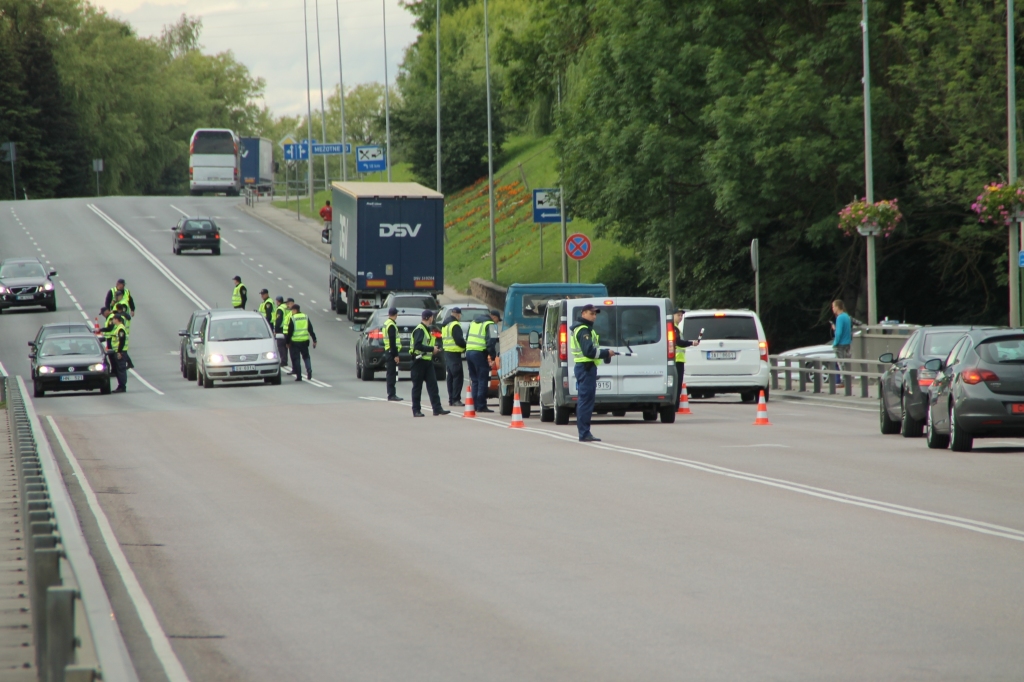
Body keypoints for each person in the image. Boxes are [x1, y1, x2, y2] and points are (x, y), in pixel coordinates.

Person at [571, 304, 617, 442]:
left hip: (586, 368)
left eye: (595, 314)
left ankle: (584, 432)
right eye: (592, 313)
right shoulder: (583, 330)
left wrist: (605, 353)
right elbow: (589, 351)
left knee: (585, 400)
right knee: (585, 401)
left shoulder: (585, 329)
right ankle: (584, 433)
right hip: (586, 368)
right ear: (584, 313)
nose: (594, 316)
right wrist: (605, 353)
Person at [409, 310, 449, 417]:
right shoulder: (420, 330)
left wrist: (434, 349)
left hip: (427, 361)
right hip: (418, 361)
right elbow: (417, 346)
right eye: (432, 317)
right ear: (429, 318)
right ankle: (416, 410)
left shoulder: (427, 330)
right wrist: (432, 349)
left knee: (433, 386)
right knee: (417, 387)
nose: (433, 319)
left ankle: (437, 408)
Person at [465, 309, 500, 412]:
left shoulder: (473, 322)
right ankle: (481, 405)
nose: (497, 322)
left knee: (474, 380)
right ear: (494, 317)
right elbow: (491, 342)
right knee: (482, 379)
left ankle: (474, 405)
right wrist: (493, 357)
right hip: (479, 353)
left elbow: (467, 337)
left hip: (469, 352)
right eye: (498, 320)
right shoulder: (491, 324)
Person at [670, 308, 699, 406]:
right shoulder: (673, 328)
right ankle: (675, 405)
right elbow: (678, 342)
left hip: (679, 359)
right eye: (678, 315)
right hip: (676, 359)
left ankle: (676, 405)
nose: (680, 317)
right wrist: (691, 343)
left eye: (681, 315)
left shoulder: (676, 328)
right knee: (677, 385)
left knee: (678, 384)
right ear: (672, 315)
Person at [441, 307, 466, 406]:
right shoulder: (455, 324)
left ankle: (451, 399)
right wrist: (466, 345)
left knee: (451, 376)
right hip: (455, 353)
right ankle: (456, 399)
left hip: (447, 352)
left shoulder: (446, 324)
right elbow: (459, 340)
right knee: (458, 376)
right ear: (458, 315)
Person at [284, 303, 317, 381]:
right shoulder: (305, 317)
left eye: (292, 310)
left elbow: (290, 332)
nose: (291, 312)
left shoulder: (293, 318)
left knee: (296, 359)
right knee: (306, 357)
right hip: (304, 341)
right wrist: (314, 340)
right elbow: (310, 329)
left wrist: (287, 342)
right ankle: (309, 370)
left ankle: (299, 376)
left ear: (295, 310)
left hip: (295, 342)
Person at [830, 299, 852, 387]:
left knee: (840, 363)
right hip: (847, 343)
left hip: (840, 344)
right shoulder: (847, 316)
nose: (832, 309)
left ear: (837, 307)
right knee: (845, 363)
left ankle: (843, 382)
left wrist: (835, 343)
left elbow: (839, 333)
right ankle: (847, 381)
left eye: (833, 307)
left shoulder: (839, 318)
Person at [383, 306, 403, 401]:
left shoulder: (387, 323)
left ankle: (391, 393)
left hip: (388, 351)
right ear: (396, 315)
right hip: (391, 352)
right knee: (391, 374)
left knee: (391, 373)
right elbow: (392, 341)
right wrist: (395, 355)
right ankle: (391, 394)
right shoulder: (391, 325)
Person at [108, 313, 128, 392]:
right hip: (118, 351)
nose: (112, 320)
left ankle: (122, 386)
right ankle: (120, 385)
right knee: (118, 369)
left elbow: (122, 341)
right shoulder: (117, 327)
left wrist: (119, 352)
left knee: (121, 369)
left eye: (113, 319)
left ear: (117, 319)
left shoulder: (120, 328)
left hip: (120, 352)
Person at [116, 303, 135, 369]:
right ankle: (130, 364)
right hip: (126, 332)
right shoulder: (126, 315)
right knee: (124, 350)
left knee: (123, 351)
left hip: (123, 332)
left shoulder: (121, 317)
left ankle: (130, 363)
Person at [273, 296, 290, 369]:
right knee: (285, 345)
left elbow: (278, 320)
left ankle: (284, 361)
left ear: (278, 301)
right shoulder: (287, 307)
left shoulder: (280, 309)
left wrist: (276, 330)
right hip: (287, 328)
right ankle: (285, 360)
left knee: (281, 346)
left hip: (281, 329)